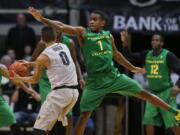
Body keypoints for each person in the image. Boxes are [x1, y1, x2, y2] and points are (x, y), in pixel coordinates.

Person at [28, 7, 180, 135]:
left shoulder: (108, 36)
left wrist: (132, 68)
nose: (91, 21)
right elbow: (60, 26)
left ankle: (175, 111)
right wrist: (42, 19)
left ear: (103, 23)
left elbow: (117, 55)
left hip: (113, 77)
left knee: (145, 94)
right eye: (91, 19)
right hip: (94, 82)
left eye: (95, 19)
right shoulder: (83, 32)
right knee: (83, 118)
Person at [12, 27, 79, 135]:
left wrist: (19, 78)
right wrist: (31, 63)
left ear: (42, 39)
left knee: (39, 128)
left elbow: (34, 79)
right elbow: (54, 61)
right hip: (73, 93)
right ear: (56, 37)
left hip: (60, 93)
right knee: (59, 124)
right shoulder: (64, 46)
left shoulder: (43, 56)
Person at [120, 31, 180, 135]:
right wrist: (125, 45)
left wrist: (178, 86)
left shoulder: (168, 55)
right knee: (148, 120)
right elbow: (129, 57)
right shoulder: (146, 54)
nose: (154, 42)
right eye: (152, 40)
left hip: (166, 92)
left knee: (172, 123)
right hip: (152, 93)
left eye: (157, 40)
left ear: (162, 43)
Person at [30, 30, 85, 135]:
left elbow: (74, 61)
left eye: (58, 28)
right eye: (53, 29)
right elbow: (34, 60)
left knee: (67, 114)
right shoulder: (43, 44)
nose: (56, 30)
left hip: (63, 82)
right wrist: (29, 85)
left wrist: (80, 78)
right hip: (47, 81)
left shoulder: (69, 43)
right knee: (47, 114)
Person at [0, 63, 38, 135]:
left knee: (12, 120)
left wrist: (26, 89)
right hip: (20, 111)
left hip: (0, 101)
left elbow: (13, 79)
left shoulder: (1, 67)